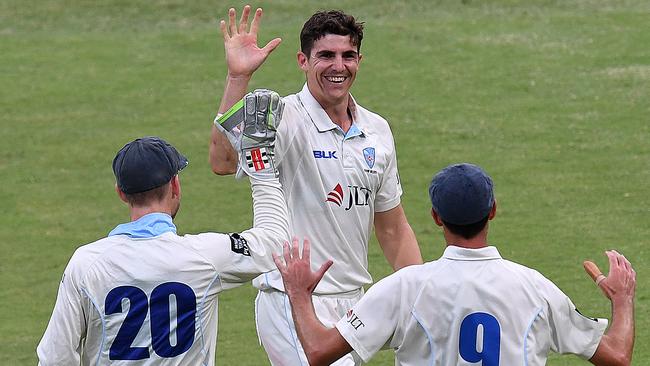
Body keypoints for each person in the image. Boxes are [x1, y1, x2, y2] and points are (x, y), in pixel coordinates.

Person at [209, 6, 423, 365]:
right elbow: (223, 161)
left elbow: (393, 228)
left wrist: (420, 293)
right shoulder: (285, 118)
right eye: (326, 55)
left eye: (348, 55)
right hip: (291, 298)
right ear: (303, 61)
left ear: (359, 60)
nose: (338, 66)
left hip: (354, 304)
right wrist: (237, 78)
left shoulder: (377, 130)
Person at [274, 163, 636, 366]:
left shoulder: (405, 287)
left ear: (435, 217)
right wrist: (622, 300)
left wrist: (298, 293)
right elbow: (617, 358)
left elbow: (319, 352)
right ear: (492, 211)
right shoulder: (535, 287)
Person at [37, 112, 289, 364]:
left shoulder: (86, 264)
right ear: (175, 185)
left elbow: (55, 357)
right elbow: (275, 242)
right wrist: (259, 162)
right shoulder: (205, 257)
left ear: (121, 194)